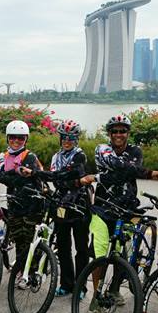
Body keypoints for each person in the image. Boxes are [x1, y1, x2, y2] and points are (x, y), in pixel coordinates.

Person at [88, 114, 158, 313]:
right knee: (99, 256)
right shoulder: (101, 149)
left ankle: (114, 289)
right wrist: (147, 173)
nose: (119, 134)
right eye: (115, 131)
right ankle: (96, 296)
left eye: (123, 131)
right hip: (102, 208)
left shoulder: (135, 150)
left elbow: (129, 170)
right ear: (109, 133)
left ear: (128, 133)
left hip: (127, 209)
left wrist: (101, 176)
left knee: (124, 254)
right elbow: (125, 169)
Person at [39, 120, 92, 297]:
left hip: (80, 205)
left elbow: (67, 175)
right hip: (61, 203)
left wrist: (64, 180)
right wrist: (63, 180)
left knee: (81, 248)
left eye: (71, 138)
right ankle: (66, 284)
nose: (67, 141)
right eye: (64, 137)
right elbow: (57, 179)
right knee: (62, 246)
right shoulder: (56, 157)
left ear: (76, 139)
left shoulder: (80, 156)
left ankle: (81, 286)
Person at [0, 120, 44, 278]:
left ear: (26, 139)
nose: (16, 141)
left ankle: (32, 273)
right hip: (14, 203)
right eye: (13, 137)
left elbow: (13, 178)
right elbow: (1, 175)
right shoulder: (4, 156)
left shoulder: (30, 156)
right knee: (19, 240)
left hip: (32, 206)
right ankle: (22, 270)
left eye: (20, 138)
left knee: (29, 242)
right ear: (7, 138)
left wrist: (6, 176)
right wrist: (12, 173)